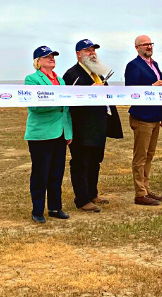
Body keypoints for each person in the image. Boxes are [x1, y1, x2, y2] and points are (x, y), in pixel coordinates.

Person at [62, 39, 123, 213]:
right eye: (88, 50)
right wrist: (90, 89)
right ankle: (82, 199)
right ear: (78, 54)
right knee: (81, 162)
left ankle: (92, 194)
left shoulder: (98, 73)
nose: (92, 53)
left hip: (99, 125)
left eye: (93, 50)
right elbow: (70, 99)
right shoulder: (72, 74)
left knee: (95, 161)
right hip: (82, 127)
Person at [25, 46, 73, 223]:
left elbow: (66, 109)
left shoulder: (60, 80)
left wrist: (68, 131)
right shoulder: (31, 80)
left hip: (60, 133)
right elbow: (34, 106)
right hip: (41, 133)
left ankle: (55, 207)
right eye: (47, 57)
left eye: (53, 56)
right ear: (37, 61)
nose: (51, 59)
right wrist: (57, 100)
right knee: (40, 173)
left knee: (56, 172)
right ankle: (37, 210)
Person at [124, 35, 162, 206]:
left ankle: (146, 188)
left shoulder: (154, 65)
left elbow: (161, 91)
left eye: (150, 44)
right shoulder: (133, 65)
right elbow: (131, 90)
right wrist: (151, 87)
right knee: (140, 156)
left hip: (155, 116)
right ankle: (139, 193)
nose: (149, 46)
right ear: (137, 47)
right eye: (145, 44)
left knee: (150, 155)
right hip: (142, 117)